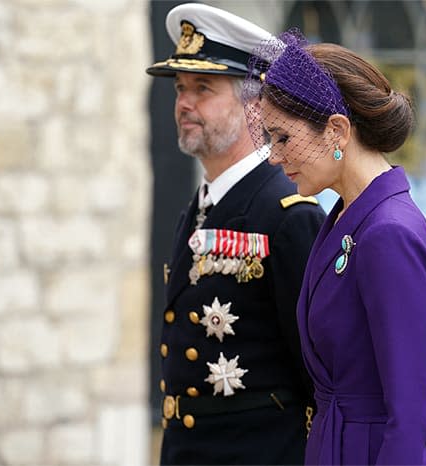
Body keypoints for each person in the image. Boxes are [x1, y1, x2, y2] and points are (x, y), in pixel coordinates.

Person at [243, 30, 426, 465]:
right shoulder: (344, 216)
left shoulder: (388, 232)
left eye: (283, 137)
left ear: (337, 130)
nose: (275, 156)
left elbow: (407, 413)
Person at [146, 6, 325, 465]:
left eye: (203, 89)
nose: (184, 103)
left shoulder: (287, 215)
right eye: (181, 89)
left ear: (255, 104)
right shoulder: (202, 206)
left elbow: (320, 378)